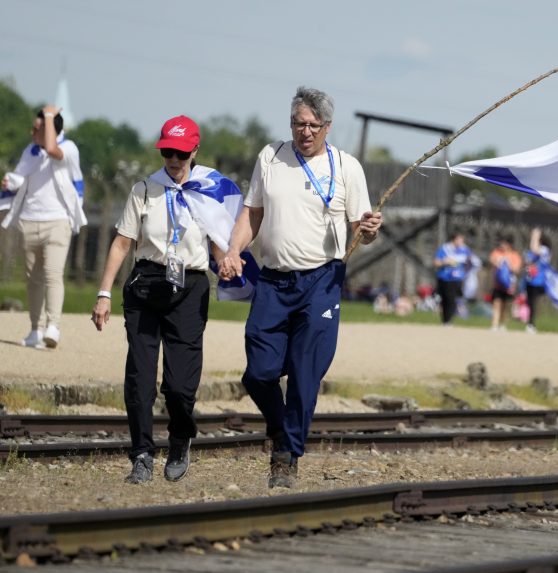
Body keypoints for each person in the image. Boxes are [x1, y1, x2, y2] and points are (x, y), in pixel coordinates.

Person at [219, 87, 382, 488]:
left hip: (321, 281)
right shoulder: (270, 157)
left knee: (306, 374)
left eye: (312, 125)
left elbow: (362, 230)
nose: (304, 132)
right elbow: (251, 213)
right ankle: (280, 428)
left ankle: (287, 456)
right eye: (298, 123)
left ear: (327, 127)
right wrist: (234, 250)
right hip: (273, 280)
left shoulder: (347, 167)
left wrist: (369, 230)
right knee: (258, 373)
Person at [92, 115, 235, 484]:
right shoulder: (143, 189)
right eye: (167, 151)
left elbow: (220, 247)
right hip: (147, 283)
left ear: (195, 151)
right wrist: (104, 294)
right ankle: (141, 454)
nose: (173, 159)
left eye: (181, 153)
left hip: (190, 286)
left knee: (179, 385)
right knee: (140, 377)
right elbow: (122, 243)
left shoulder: (207, 190)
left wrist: (229, 267)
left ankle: (180, 438)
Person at [1, 105, 86, 349]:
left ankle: (53, 326)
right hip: (29, 220)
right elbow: (20, 176)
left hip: (57, 221)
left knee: (52, 274)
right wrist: (10, 181)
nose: (32, 132)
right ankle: (35, 329)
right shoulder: (30, 151)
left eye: (37, 128)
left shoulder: (68, 149)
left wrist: (49, 115)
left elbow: (51, 149)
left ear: (52, 128)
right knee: (33, 279)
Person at [433, 231, 472, 325]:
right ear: (454, 239)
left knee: (453, 299)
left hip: (457, 278)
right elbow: (436, 262)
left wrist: (465, 272)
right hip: (445, 278)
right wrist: (445, 262)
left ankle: (449, 320)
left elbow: (470, 262)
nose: (462, 241)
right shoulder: (445, 249)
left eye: (462, 239)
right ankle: (445, 319)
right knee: (445, 299)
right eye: (460, 239)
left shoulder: (465, 249)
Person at [488, 235, 522, 331]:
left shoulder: (514, 255)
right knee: (496, 303)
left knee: (506, 305)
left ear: (509, 245)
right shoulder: (497, 252)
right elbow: (492, 260)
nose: (501, 245)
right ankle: (494, 324)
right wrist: (499, 263)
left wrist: (508, 266)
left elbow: (516, 269)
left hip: (509, 285)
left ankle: (502, 324)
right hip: (498, 284)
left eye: (504, 243)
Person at [523, 228, 551, 334]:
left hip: (538, 281)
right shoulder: (530, 250)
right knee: (529, 302)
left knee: (534, 302)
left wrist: (535, 237)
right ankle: (530, 323)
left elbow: (535, 250)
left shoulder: (544, 249)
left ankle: (532, 323)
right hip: (529, 279)